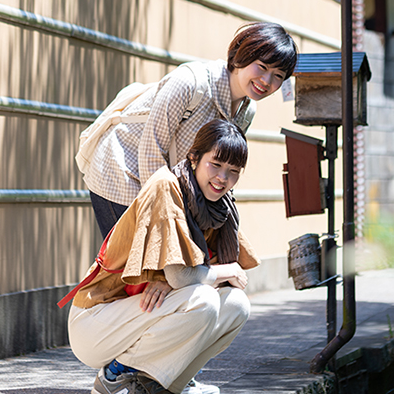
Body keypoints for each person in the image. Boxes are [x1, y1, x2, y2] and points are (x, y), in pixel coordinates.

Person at [65, 120, 259, 394]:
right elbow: (184, 276)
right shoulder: (166, 187)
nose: (222, 178)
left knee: (237, 305)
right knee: (202, 300)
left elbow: (186, 279)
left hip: (141, 312)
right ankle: (116, 374)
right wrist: (212, 274)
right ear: (194, 158)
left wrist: (176, 281)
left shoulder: (219, 208)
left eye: (233, 171)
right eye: (215, 165)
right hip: (96, 320)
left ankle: (166, 385)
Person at [83, 22, 297, 238]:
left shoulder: (246, 111)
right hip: (121, 170)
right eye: (262, 67)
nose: (267, 81)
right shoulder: (190, 83)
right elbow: (151, 152)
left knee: (163, 266)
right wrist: (169, 218)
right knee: (132, 266)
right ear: (242, 55)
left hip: (164, 184)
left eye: (278, 75)